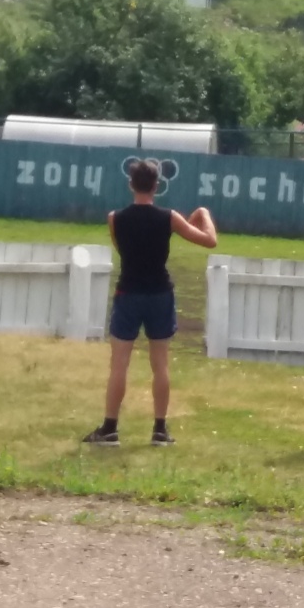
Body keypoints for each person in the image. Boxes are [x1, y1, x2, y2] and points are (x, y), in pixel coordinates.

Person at [82, 159, 218, 447]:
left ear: (131, 184)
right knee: (160, 364)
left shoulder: (115, 218)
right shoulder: (169, 218)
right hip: (159, 294)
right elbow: (209, 240)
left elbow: (123, 250)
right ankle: (159, 430)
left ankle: (110, 428)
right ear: (157, 185)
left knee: (119, 365)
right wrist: (203, 213)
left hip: (128, 292)